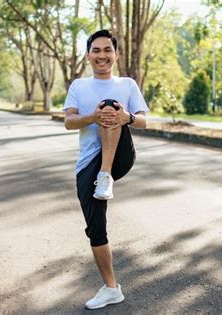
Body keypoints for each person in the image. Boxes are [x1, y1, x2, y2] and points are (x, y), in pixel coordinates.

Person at [63, 29, 149, 310]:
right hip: (88, 163)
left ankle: (106, 175)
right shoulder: (79, 86)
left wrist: (127, 117)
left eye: (107, 50)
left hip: (121, 156)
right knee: (95, 227)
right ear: (88, 56)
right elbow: (69, 122)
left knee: (113, 109)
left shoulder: (127, 84)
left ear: (116, 54)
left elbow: (144, 122)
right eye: (96, 50)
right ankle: (112, 288)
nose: (102, 55)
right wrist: (94, 116)